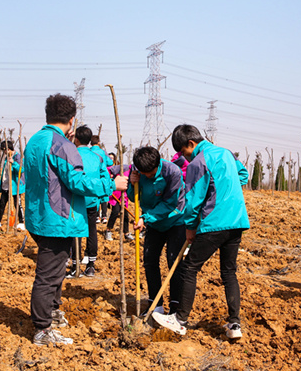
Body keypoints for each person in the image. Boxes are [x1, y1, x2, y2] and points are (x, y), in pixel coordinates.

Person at [24, 93, 128, 346]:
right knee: (49, 275)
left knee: (57, 269)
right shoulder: (61, 145)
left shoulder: (35, 140)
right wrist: (111, 185)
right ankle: (42, 329)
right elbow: (77, 181)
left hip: (38, 216)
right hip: (56, 219)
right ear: (72, 120)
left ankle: (53, 313)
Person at [153, 124, 250, 340]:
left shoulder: (199, 161)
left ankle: (179, 319)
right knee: (229, 272)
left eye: (183, 153)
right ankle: (235, 324)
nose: (184, 158)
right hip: (237, 219)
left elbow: (193, 200)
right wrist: (226, 190)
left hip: (215, 222)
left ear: (191, 144)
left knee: (189, 268)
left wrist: (190, 228)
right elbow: (242, 174)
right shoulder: (225, 152)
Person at [129, 146, 186, 316]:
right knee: (150, 260)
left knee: (173, 261)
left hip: (175, 220)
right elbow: (133, 197)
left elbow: (170, 204)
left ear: (158, 163)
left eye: (151, 173)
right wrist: (133, 183)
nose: (148, 176)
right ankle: (156, 304)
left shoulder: (172, 172)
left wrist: (145, 218)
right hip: (153, 222)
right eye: (144, 173)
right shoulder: (137, 171)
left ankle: (175, 307)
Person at [66, 125, 112, 278]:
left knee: (75, 231)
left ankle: (75, 266)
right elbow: (105, 176)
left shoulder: (71, 154)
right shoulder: (97, 157)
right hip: (92, 200)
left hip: (75, 200)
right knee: (91, 230)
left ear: (76, 139)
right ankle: (91, 266)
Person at [0, 140, 25, 231]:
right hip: (6, 184)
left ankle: (21, 222)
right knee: (2, 203)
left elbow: (21, 170)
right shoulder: (6, 158)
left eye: (4, 150)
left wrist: (13, 163)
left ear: (8, 149)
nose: (4, 152)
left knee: (17, 204)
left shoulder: (17, 157)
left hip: (15, 185)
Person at [106, 163, 133, 241]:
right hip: (116, 195)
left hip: (124, 196)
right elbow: (109, 171)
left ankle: (126, 233)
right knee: (115, 212)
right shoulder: (124, 168)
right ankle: (108, 230)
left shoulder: (134, 173)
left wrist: (124, 199)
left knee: (125, 215)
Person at [90, 135, 113, 223]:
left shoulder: (89, 151)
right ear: (99, 142)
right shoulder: (102, 152)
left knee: (94, 196)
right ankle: (104, 216)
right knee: (103, 196)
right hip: (102, 177)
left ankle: (96, 217)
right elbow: (110, 162)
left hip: (92, 177)